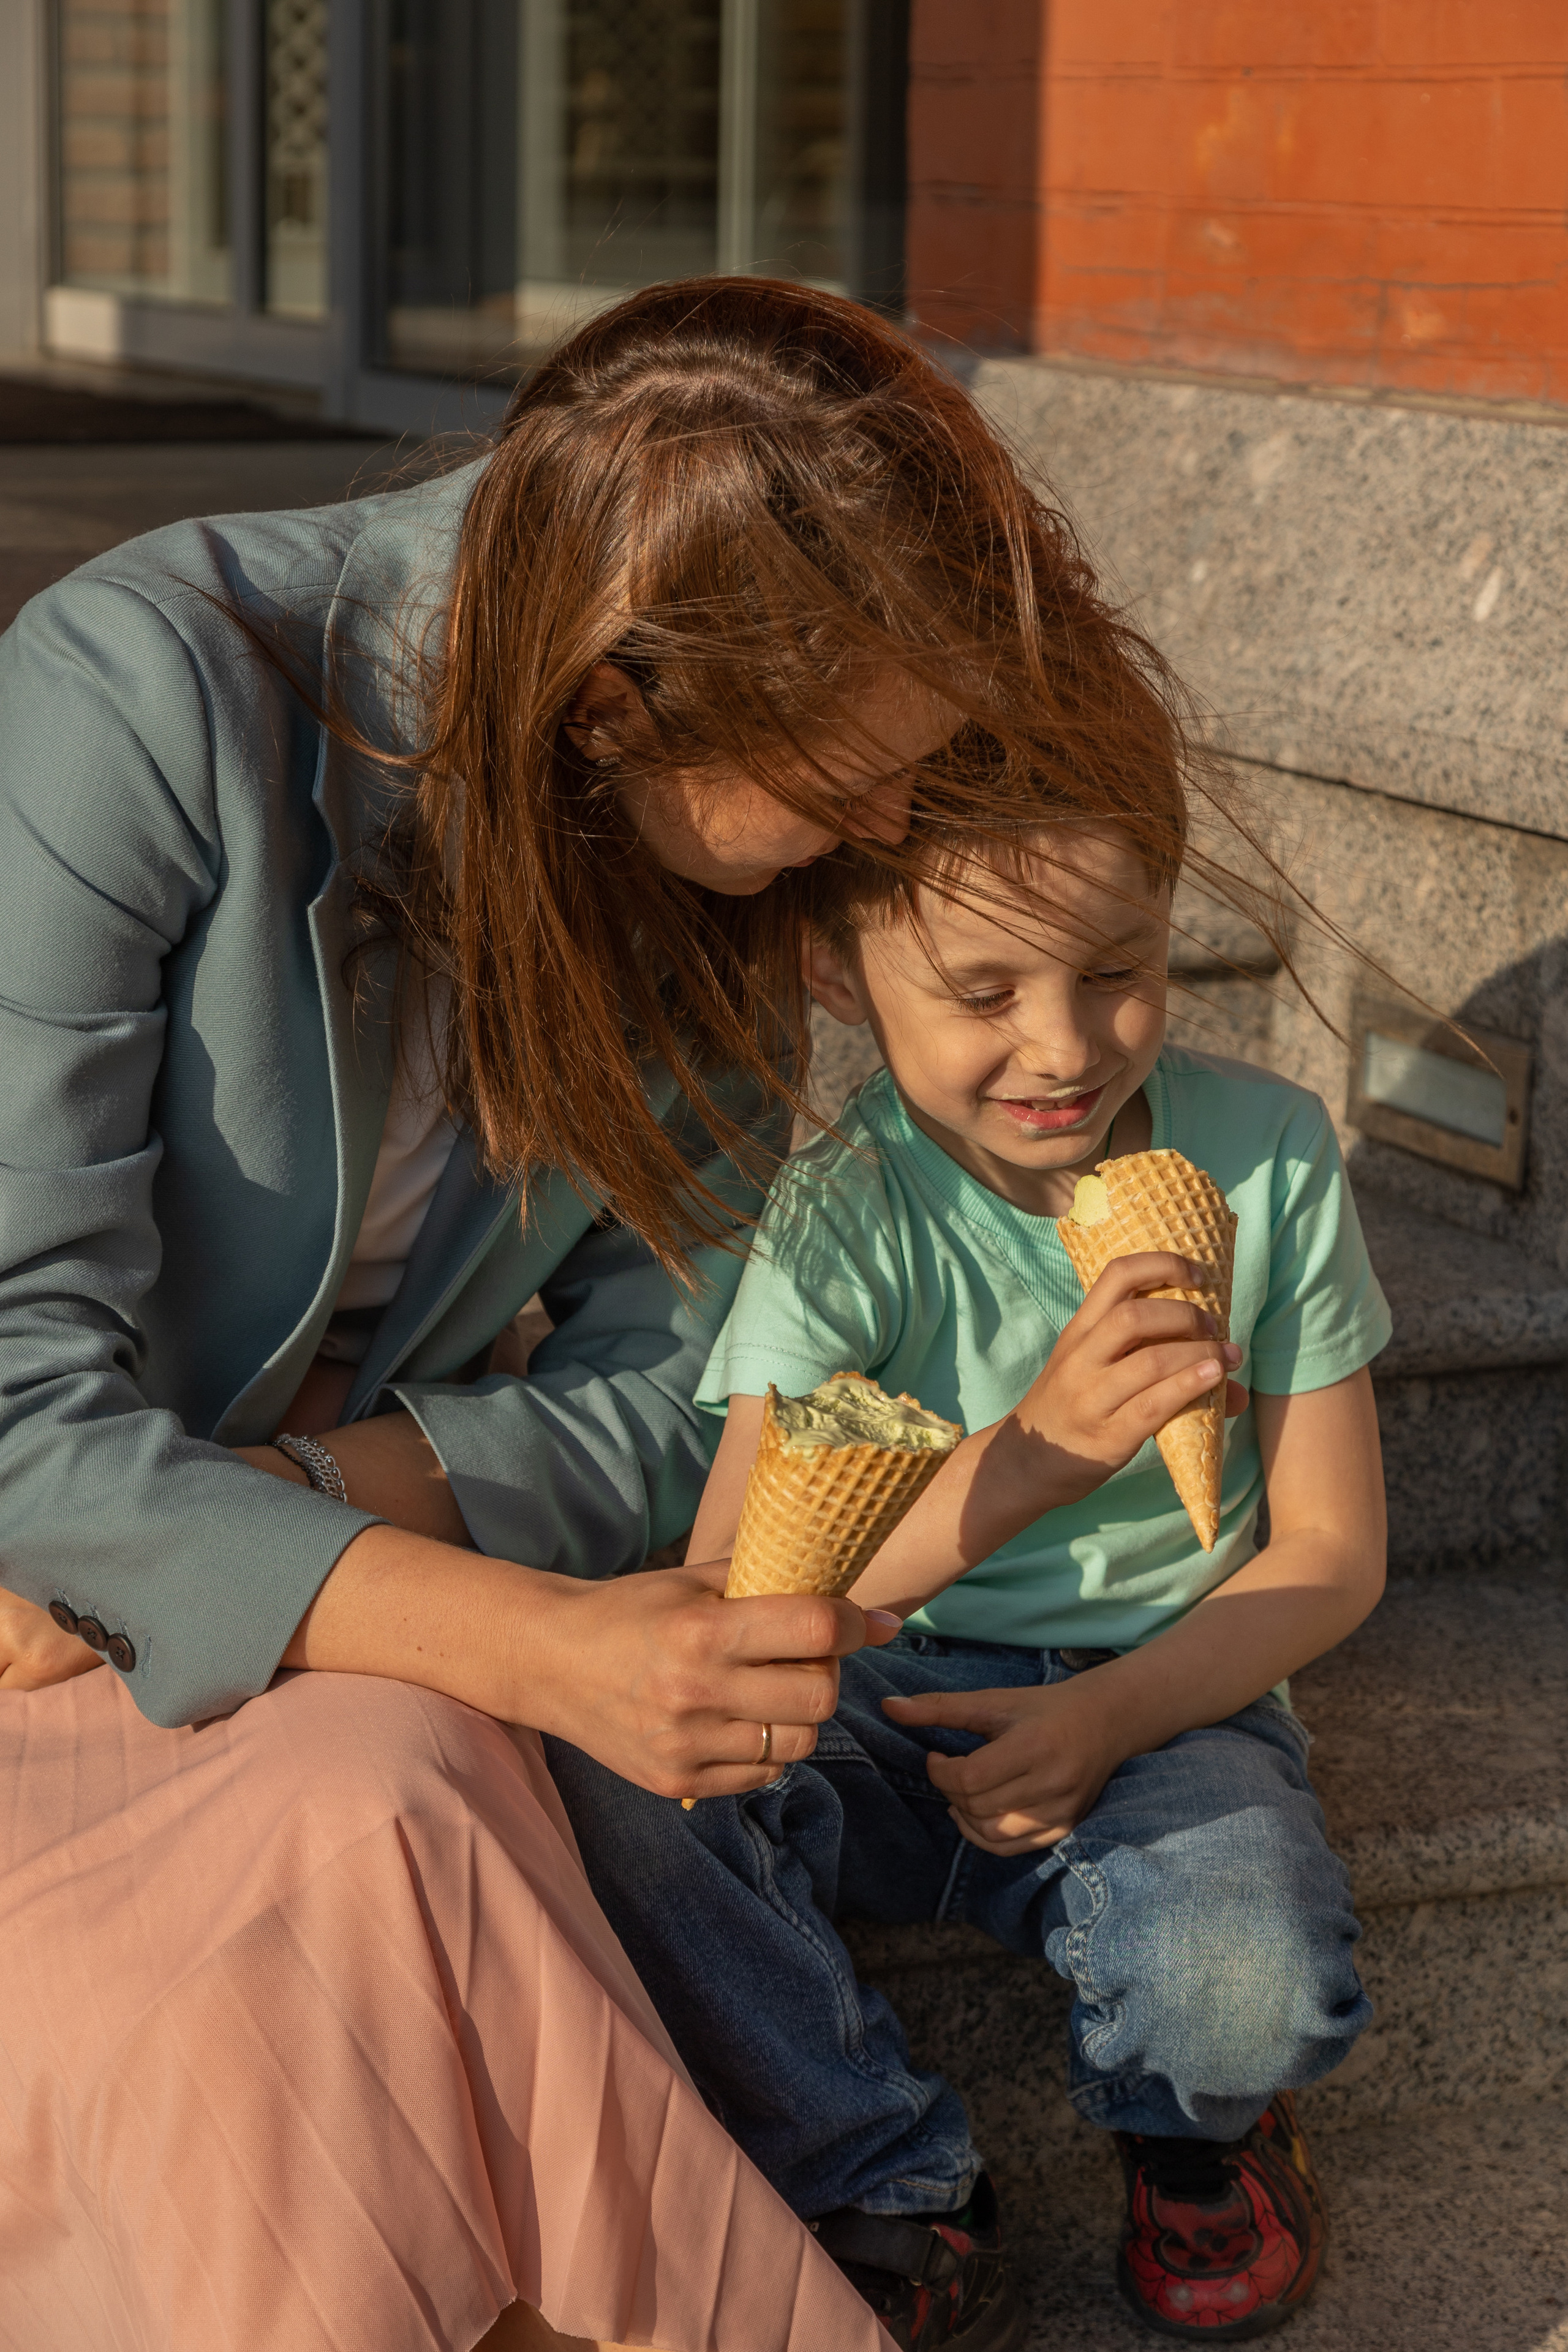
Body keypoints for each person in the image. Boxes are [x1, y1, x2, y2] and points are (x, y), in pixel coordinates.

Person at [0, 276, 1049, 2352]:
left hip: (272, 1607)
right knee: (385, 1813)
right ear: (615, 705)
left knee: (393, 1789)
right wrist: (549, 1639)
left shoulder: (694, 863)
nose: (896, 836)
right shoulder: (136, 697)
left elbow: (690, 1385)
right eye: (851, 777)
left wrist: (291, 1495)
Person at [545, 800, 1391, 2346]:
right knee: (617, 1790)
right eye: (985, 994)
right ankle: (876, 2162)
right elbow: (739, 1588)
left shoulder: (1264, 1158)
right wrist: (1034, 1461)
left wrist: (1113, 1716)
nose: (1063, 1049)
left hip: (1168, 1699)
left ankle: (1193, 2124)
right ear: (835, 973)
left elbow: (1329, 1556)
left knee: (1240, 1979)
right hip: (875, 1697)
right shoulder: (839, 1208)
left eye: (1116, 971)